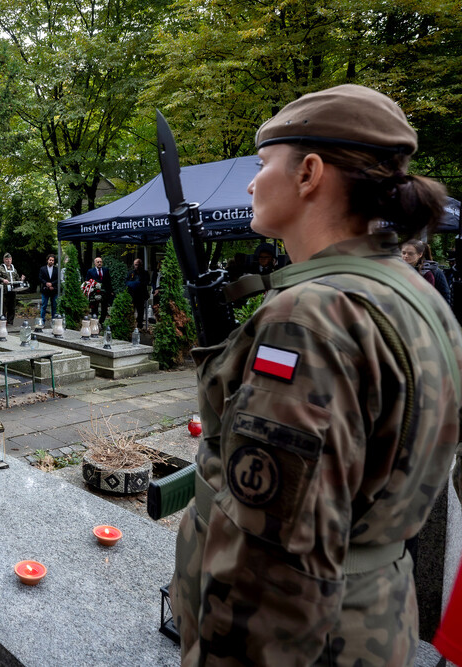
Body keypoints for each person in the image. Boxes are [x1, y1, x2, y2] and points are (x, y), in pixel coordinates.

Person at [171, 84, 462, 666]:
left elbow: (273, 566)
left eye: (262, 165)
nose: (251, 184)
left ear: (308, 173)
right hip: (373, 618)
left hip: (306, 638)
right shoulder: (419, 297)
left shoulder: (310, 318)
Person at [0, 253, 24, 325]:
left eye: (9, 259)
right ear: (4, 260)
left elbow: (16, 279)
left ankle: (10, 322)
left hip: (13, 291)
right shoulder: (0, 268)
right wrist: (3, 280)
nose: (8, 261)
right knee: (3, 307)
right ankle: (3, 321)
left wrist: (21, 279)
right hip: (4, 291)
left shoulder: (14, 269)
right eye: (6, 259)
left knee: (12, 307)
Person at [85, 256, 112, 324]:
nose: (99, 263)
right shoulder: (90, 271)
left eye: (101, 262)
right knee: (94, 309)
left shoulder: (106, 270)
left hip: (104, 293)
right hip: (95, 293)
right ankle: (95, 322)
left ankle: (101, 322)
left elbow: (109, 281)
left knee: (104, 309)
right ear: (95, 263)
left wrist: (110, 291)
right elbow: (87, 281)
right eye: (98, 262)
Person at [124, 258, 149, 330]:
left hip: (141, 295)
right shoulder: (131, 273)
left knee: (140, 311)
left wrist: (138, 284)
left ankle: (140, 325)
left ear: (141, 265)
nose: (136, 266)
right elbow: (126, 281)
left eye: (137, 265)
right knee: (131, 310)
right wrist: (132, 284)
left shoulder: (144, 273)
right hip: (132, 294)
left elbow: (146, 282)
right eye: (135, 265)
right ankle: (130, 324)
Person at [38, 254, 59, 320]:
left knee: (54, 306)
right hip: (45, 290)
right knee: (44, 306)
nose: (51, 261)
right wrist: (46, 283)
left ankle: (54, 320)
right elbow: (40, 278)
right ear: (47, 260)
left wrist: (52, 284)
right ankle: (42, 321)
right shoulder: (42, 269)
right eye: (50, 260)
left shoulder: (56, 269)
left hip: (54, 290)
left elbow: (58, 279)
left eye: (52, 260)